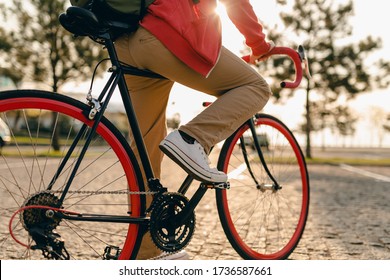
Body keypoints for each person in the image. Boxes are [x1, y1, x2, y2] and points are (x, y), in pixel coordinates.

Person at [115, 0, 274, 259]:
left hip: (129, 41)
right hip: (165, 35)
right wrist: (258, 44)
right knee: (256, 88)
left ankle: (146, 251)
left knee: (144, 146)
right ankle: (191, 138)